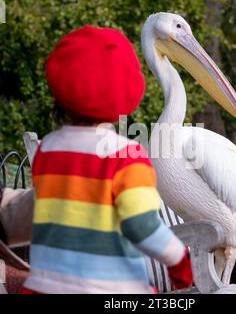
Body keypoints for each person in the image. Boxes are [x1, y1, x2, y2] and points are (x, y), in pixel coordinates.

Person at [18, 26, 193, 294]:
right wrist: (179, 261)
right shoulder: (126, 157)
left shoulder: (47, 150)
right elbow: (142, 226)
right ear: (128, 88)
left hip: (44, 287)